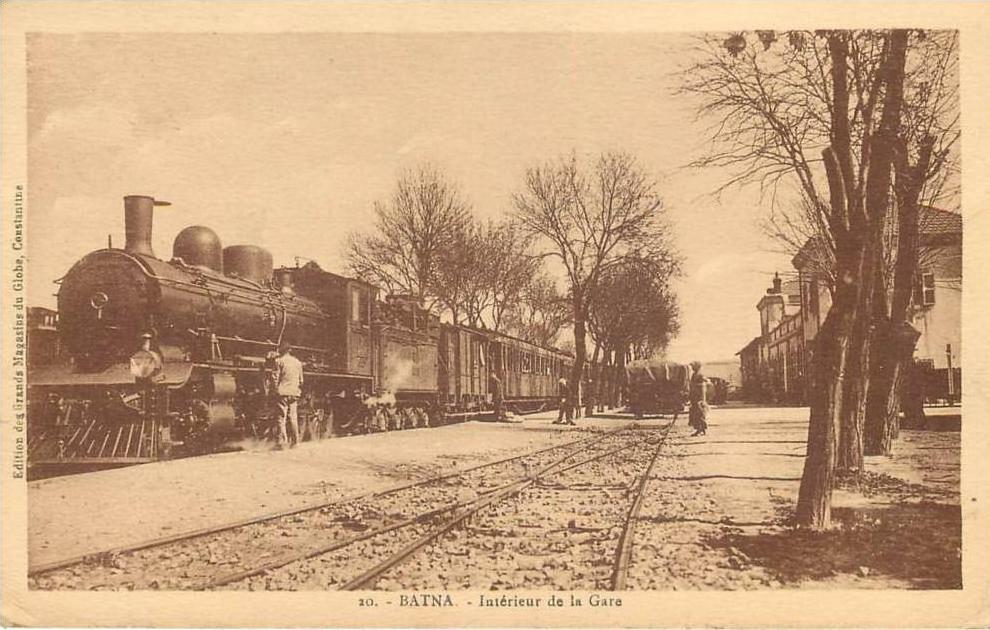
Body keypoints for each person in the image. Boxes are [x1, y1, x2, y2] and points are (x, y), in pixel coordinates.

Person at [270, 340, 304, 448]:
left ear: (281, 350)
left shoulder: (279, 361)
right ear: (290, 350)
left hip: (283, 393)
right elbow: (301, 380)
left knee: (281, 418)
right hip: (294, 393)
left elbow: (275, 378)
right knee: (293, 417)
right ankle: (296, 442)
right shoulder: (298, 362)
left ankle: (282, 443)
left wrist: (274, 390)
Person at [689, 360, 709, 437]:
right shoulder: (694, 375)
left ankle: (700, 430)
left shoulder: (700, 375)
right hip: (695, 397)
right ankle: (700, 430)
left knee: (699, 414)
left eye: (693, 366)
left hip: (698, 398)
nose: (692, 368)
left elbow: (702, 386)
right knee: (695, 414)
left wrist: (701, 399)